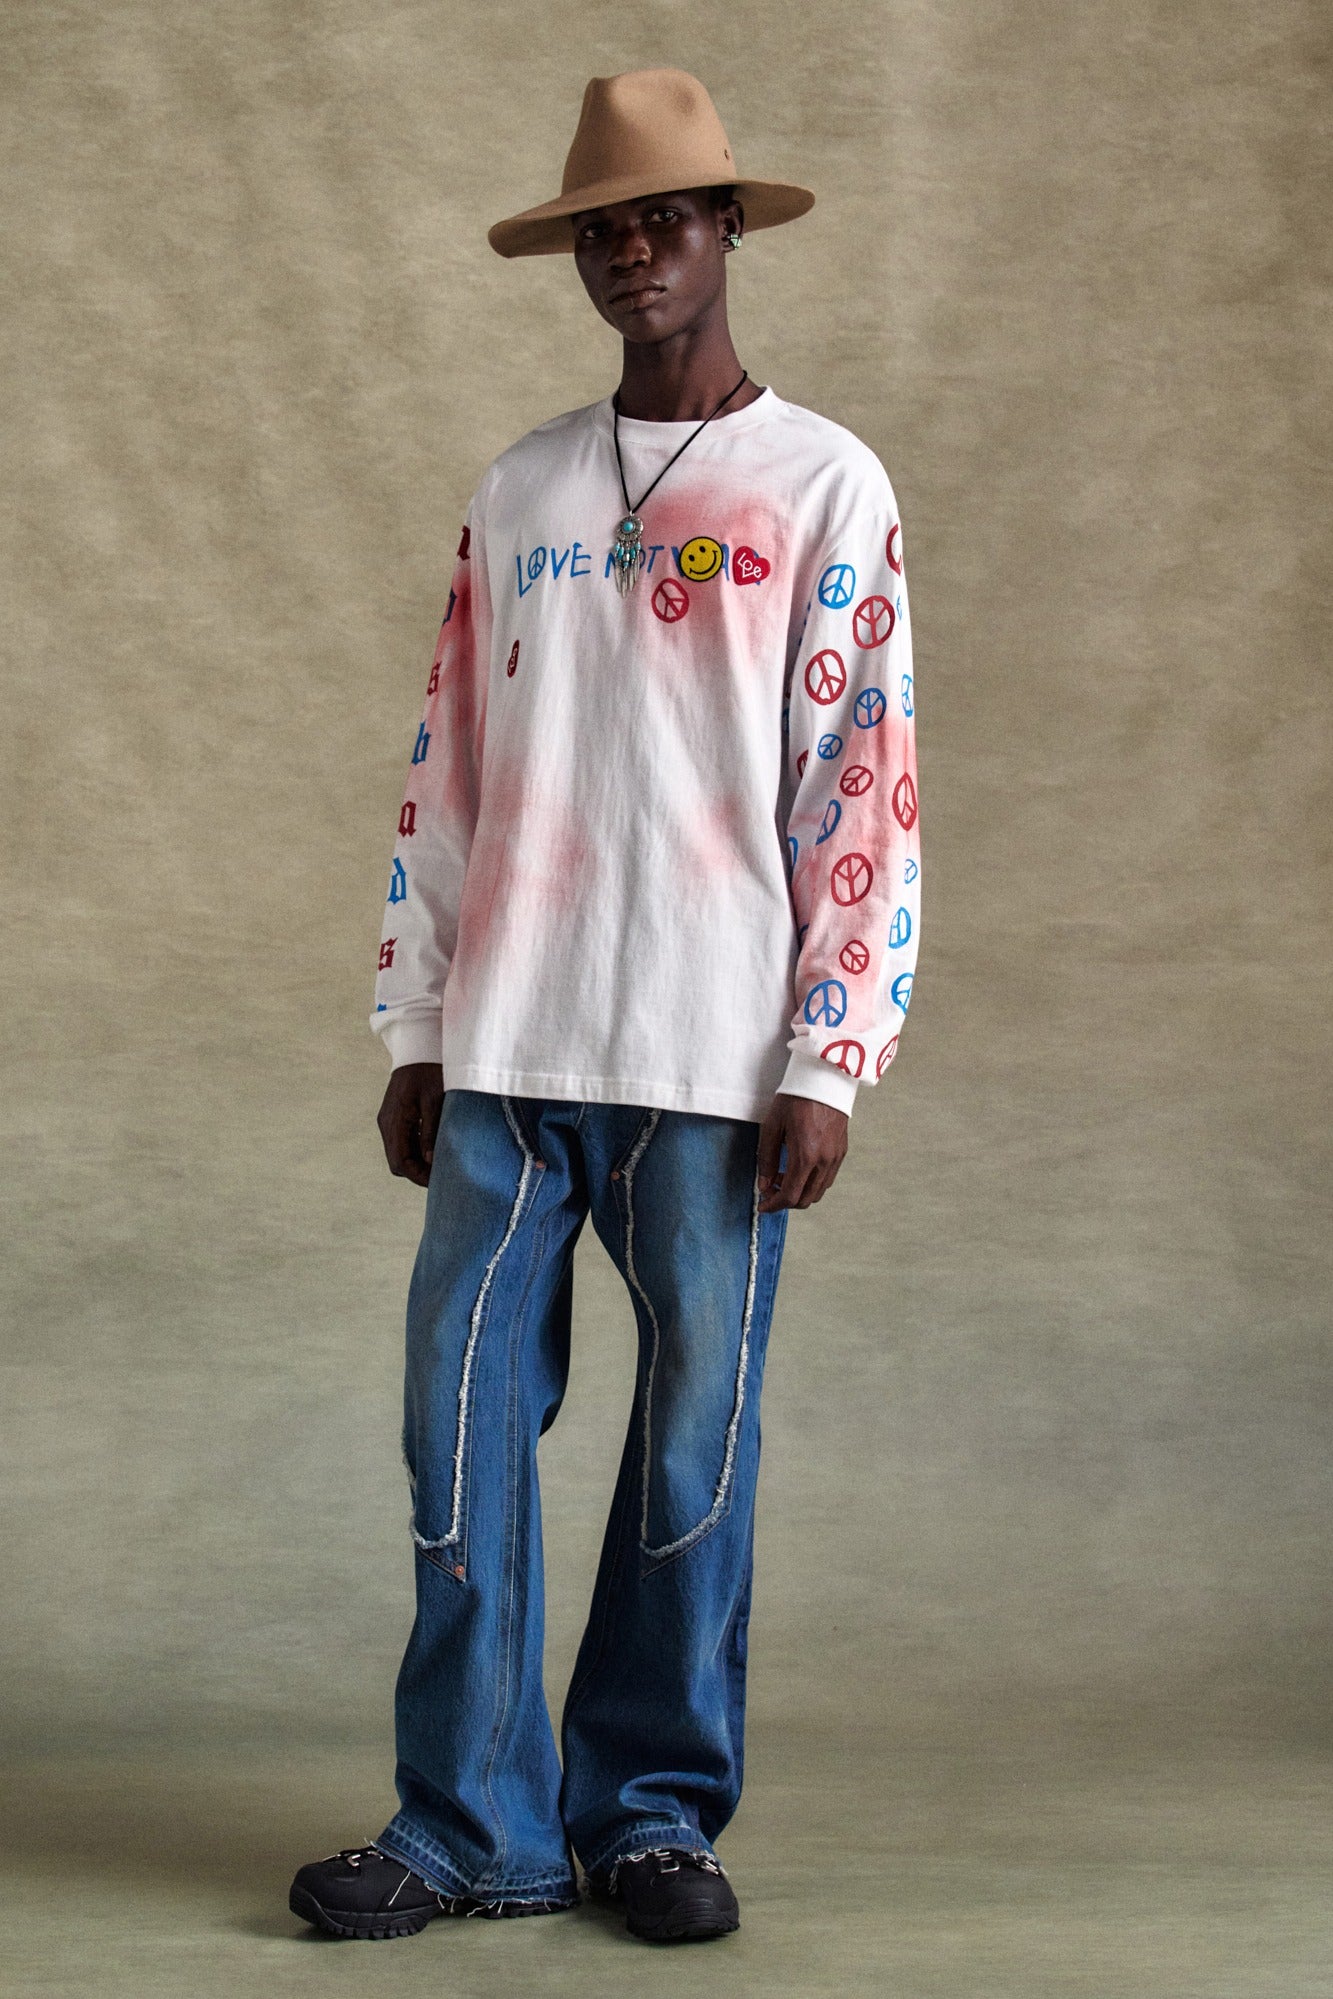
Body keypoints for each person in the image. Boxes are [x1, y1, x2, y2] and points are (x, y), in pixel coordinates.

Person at [288, 64, 921, 1947]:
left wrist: (829, 1050)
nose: (633, 250)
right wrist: (418, 1023)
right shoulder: (524, 489)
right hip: (509, 1044)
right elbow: (453, 766)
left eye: (664, 218)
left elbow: (861, 780)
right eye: (603, 228)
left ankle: (646, 1816)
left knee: (690, 1448)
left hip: (711, 1058)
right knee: (458, 1426)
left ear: (726, 230)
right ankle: (466, 1826)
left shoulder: (821, 482)